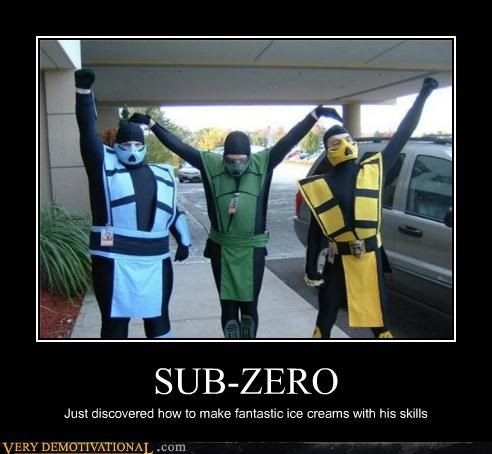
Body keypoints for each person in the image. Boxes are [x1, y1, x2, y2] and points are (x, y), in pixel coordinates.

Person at [129, 106, 343, 338]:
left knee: (250, 307)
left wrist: (314, 116)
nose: (237, 165)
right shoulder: (211, 164)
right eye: (231, 160)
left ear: (249, 157)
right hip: (222, 248)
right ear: (224, 157)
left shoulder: (263, 162)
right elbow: (179, 146)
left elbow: (289, 140)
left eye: (242, 160)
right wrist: (152, 124)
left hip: (252, 249)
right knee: (228, 307)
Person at [297, 77, 439, 339]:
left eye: (347, 139)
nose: (344, 144)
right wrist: (310, 265)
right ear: (328, 150)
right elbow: (316, 230)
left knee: (379, 322)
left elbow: (403, 132)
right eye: (336, 142)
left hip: (370, 259)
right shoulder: (321, 186)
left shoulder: (373, 171)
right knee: (325, 319)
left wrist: (423, 95)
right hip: (337, 262)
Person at [74, 68, 191, 339]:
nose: (132, 150)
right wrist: (83, 93)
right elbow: (86, 130)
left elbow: (171, 211)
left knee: (159, 323)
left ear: (144, 146)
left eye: (137, 145)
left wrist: (183, 240)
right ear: (116, 145)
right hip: (113, 258)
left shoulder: (162, 174)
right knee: (115, 326)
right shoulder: (102, 166)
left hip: (156, 259)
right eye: (125, 145)